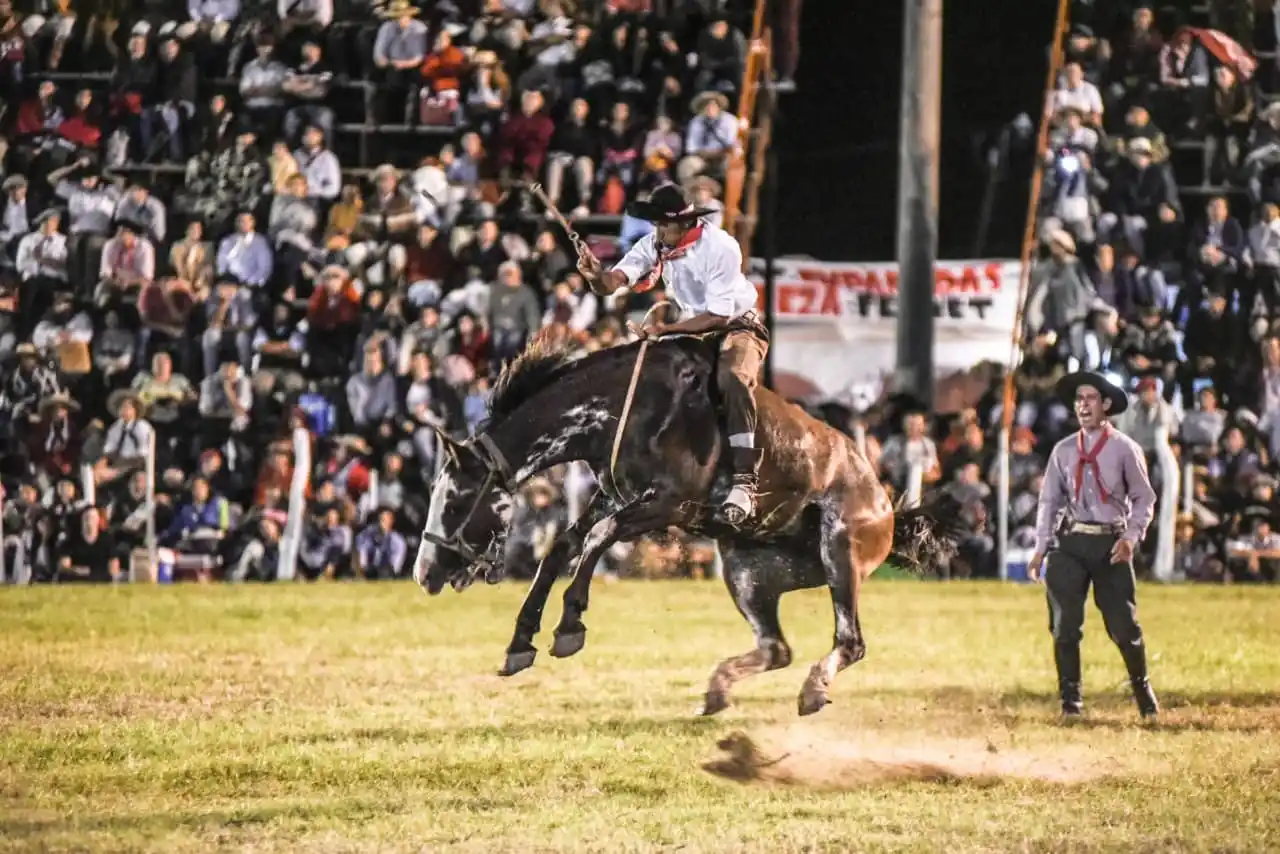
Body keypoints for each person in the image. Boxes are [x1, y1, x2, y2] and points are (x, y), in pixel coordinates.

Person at [576, 182, 765, 526]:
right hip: (694, 330)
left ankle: (745, 481)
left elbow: (718, 316)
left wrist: (664, 331)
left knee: (733, 377)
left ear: (686, 223)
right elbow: (617, 278)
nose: (658, 231)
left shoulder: (721, 247)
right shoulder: (657, 243)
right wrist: (596, 276)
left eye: (664, 224)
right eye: (656, 224)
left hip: (737, 327)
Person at [1028, 371, 1159, 720]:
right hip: (1070, 542)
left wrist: (1131, 538)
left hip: (1110, 544)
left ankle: (1142, 689)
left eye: (1090, 398)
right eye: (1078, 399)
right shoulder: (1063, 450)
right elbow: (1049, 501)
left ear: (1106, 406)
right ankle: (1071, 702)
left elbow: (1144, 498)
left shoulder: (1125, 449)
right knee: (1064, 625)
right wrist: (1041, 547)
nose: (1083, 405)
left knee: (1123, 626)